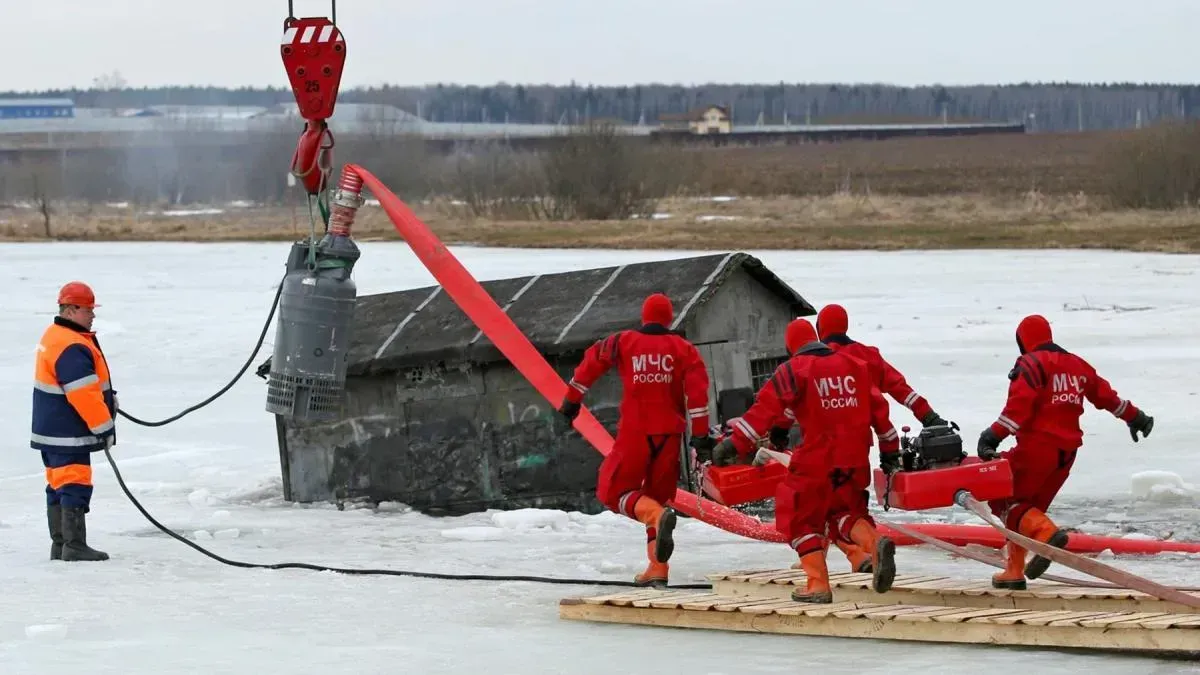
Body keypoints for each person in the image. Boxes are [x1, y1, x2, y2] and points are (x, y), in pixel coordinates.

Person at [709, 319, 899, 603]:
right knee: (844, 514)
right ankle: (874, 544)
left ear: (791, 347)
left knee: (799, 518)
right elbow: (880, 412)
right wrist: (889, 451)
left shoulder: (793, 370)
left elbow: (765, 409)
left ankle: (818, 585)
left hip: (818, 459)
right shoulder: (855, 367)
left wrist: (733, 445)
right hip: (855, 458)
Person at [978, 314, 1153, 590]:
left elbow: (1019, 408)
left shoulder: (1031, 364)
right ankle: (1013, 570)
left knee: (1008, 503)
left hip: (1037, 448)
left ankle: (1046, 536)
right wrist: (1136, 417)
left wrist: (991, 436)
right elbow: (1106, 396)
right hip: (1066, 454)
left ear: (1023, 340)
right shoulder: (1077, 365)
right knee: (1029, 510)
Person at [557, 293, 714, 587]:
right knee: (654, 496)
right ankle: (657, 568)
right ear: (670, 319)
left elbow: (593, 361)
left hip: (636, 433)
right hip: (669, 436)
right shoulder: (684, 350)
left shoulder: (623, 342)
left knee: (613, 491)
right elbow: (698, 394)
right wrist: (701, 435)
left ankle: (655, 517)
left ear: (644, 316)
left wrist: (572, 400)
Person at [32, 281, 117, 562]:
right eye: (87, 309)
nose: (92, 314)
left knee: (57, 483)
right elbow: (83, 394)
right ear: (69, 310)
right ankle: (74, 545)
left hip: (51, 430)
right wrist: (104, 427)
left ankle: (60, 544)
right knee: (74, 484)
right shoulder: (71, 344)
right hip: (68, 431)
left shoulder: (57, 335)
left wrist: (109, 397)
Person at [816, 303, 950, 428]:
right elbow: (898, 387)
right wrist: (928, 416)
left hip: (818, 442)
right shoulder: (868, 356)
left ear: (820, 328)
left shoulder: (811, 361)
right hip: (858, 441)